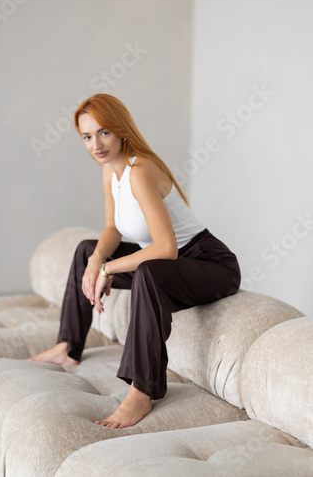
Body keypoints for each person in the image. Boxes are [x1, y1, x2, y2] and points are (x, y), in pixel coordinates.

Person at [29, 93, 241, 428]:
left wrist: (108, 268)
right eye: (87, 136)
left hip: (210, 263)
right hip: (165, 265)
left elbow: (167, 249)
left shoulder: (140, 170)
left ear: (120, 130)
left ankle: (142, 391)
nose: (96, 144)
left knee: (148, 271)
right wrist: (97, 258)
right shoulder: (110, 170)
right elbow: (112, 227)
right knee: (87, 249)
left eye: (104, 133)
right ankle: (67, 347)